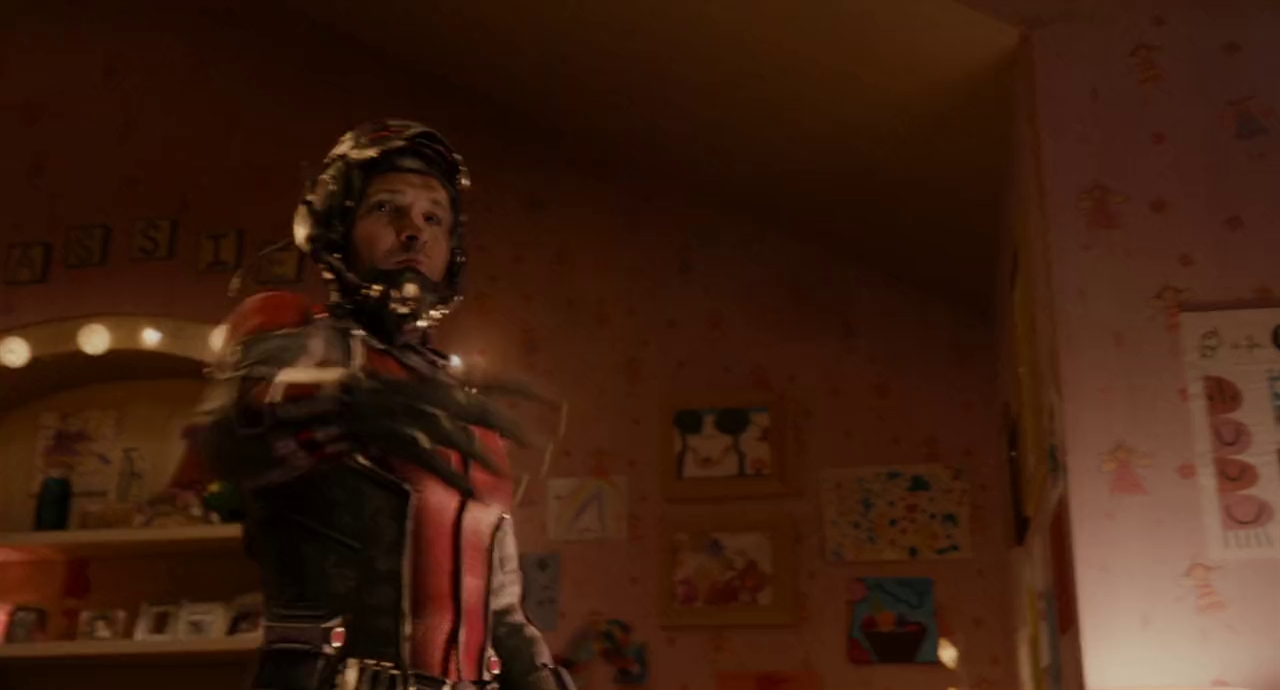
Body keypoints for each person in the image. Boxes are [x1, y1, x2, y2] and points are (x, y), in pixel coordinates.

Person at [188, 119, 574, 690]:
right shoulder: (295, 336)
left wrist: (541, 678)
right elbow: (229, 437)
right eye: (386, 208)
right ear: (336, 226)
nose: (413, 232)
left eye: (433, 217)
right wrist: (344, 405)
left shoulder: (460, 403)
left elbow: (500, 608)